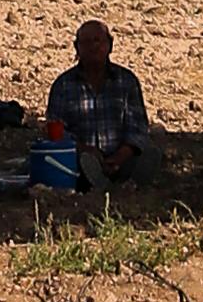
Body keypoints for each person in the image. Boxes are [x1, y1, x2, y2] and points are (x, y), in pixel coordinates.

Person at [24, 16, 152, 209]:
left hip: (121, 157)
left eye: (98, 41)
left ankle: (123, 184)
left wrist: (120, 156)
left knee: (151, 154)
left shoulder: (126, 81)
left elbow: (138, 127)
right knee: (78, 162)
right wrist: (85, 149)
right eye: (86, 42)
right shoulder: (63, 85)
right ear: (77, 48)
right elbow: (56, 130)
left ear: (110, 45)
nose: (93, 47)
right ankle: (101, 185)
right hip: (82, 159)